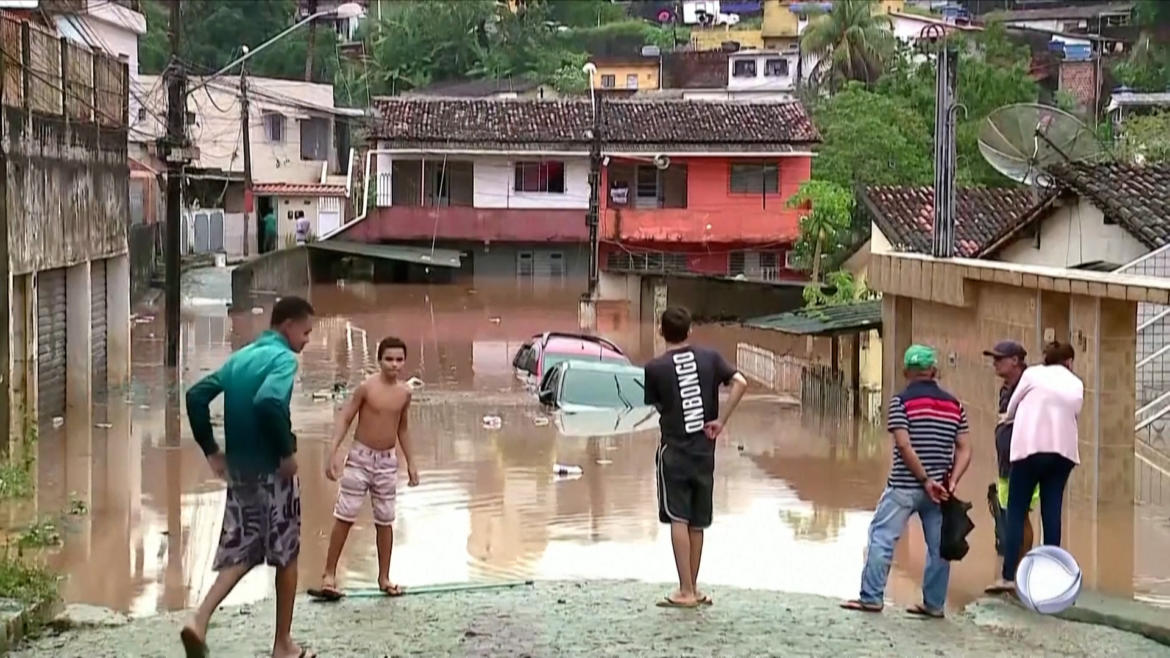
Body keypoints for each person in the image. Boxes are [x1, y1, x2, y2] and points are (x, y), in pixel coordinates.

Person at [181, 296, 315, 658]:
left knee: (245, 548)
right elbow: (270, 402)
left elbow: (195, 397)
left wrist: (211, 450)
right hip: (272, 470)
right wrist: (286, 452)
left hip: (240, 470)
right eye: (306, 332)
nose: (307, 341)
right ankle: (283, 644)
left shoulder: (240, 358)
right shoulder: (283, 359)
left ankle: (200, 618)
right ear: (287, 326)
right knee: (287, 555)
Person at [842, 344, 971, 618]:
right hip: (941, 491)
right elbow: (965, 448)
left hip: (904, 485)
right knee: (938, 547)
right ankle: (934, 605)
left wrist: (924, 480)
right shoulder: (954, 405)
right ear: (934, 371)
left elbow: (903, 445)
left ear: (905, 372)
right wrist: (953, 481)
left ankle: (871, 598)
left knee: (882, 538)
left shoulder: (900, 402)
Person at [643, 306, 748, 608]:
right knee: (697, 522)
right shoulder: (711, 358)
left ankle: (685, 590)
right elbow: (741, 382)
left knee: (678, 517)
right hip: (705, 452)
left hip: (674, 452)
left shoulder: (654, 368)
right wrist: (721, 420)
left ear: (661, 332)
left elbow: (657, 405)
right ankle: (694, 588)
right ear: (690, 331)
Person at [311, 336, 419, 600]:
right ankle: (329, 574)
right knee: (345, 515)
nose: (394, 365)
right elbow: (346, 417)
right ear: (379, 360)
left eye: (399, 360)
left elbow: (402, 427)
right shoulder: (366, 388)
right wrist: (333, 451)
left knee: (385, 520)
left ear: (404, 362)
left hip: (386, 462)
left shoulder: (405, 392)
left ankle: (384, 577)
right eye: (389, 359)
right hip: (360, 458)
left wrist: (412, 462)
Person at [986, 341, 1082, 594]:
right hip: (1063, 454)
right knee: (1052, 511)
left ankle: (1008, 576)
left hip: (1029, 451)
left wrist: (1008, 419)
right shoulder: (1075, 382)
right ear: (1069, 362)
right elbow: (1075, 411)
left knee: (1016, 511)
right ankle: (1052, 576)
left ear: (1045, 359)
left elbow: (1013, 406)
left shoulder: (1032, 374)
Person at [983, 341, 1039, 572]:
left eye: (999, 359)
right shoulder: (1006, 387)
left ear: (1015, 360)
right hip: (1006, 462)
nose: (994, 363)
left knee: (1021, 514)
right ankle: (1015, 565)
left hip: (1023, 460)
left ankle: (1021, 567)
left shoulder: (1029, 387)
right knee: (1008, 513)